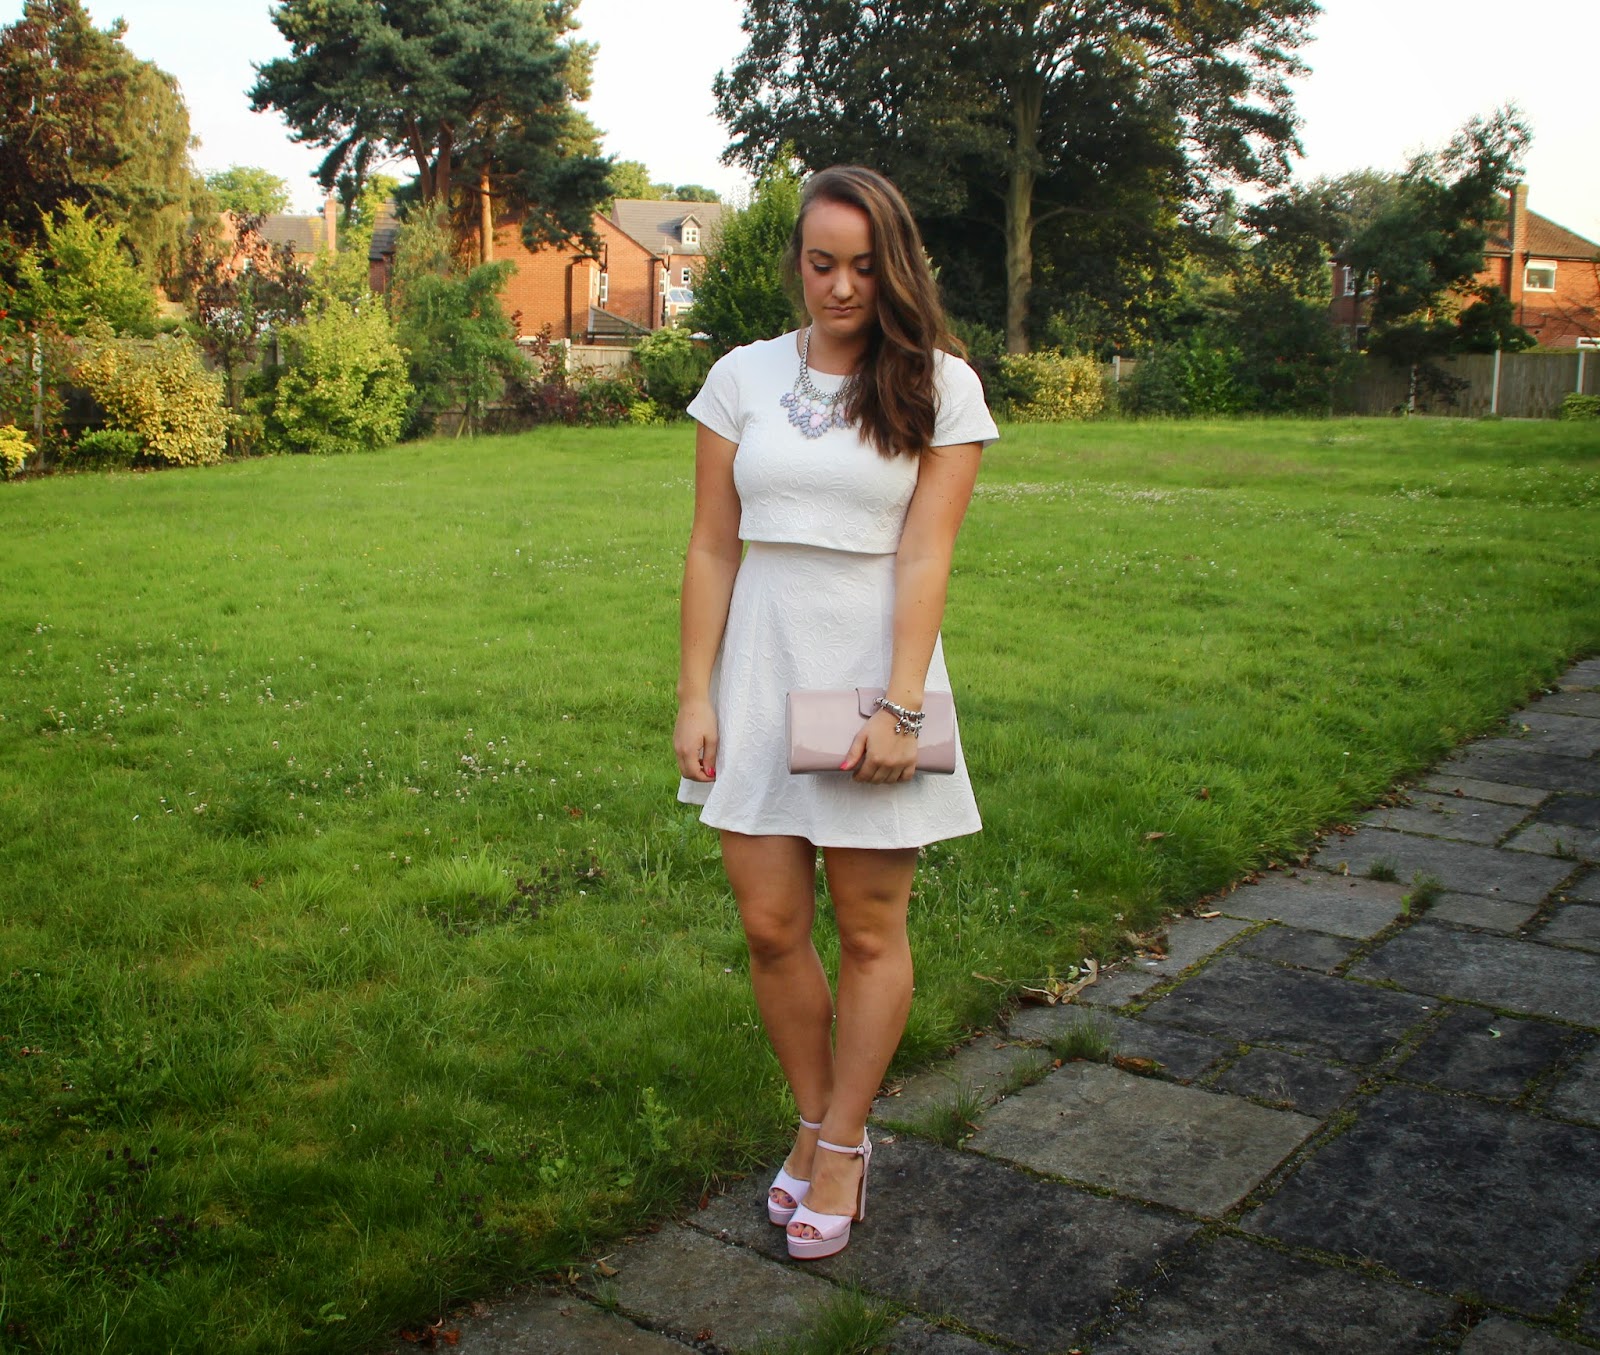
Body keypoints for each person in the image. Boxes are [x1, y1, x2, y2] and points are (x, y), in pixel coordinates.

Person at [672, 165, 998, 1261]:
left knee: (866, 927)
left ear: (894, 267)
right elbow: (712, 544)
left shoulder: (941, 385)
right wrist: (694, 691)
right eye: (822, 263)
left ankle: (848, 1142)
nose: (842, 286)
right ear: (797, 262)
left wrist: (902, 706)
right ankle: (812, 1120)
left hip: (871, 675)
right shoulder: (741, 376)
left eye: (863, 266)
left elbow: (927, 553)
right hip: (760, 669)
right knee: (770, 925)